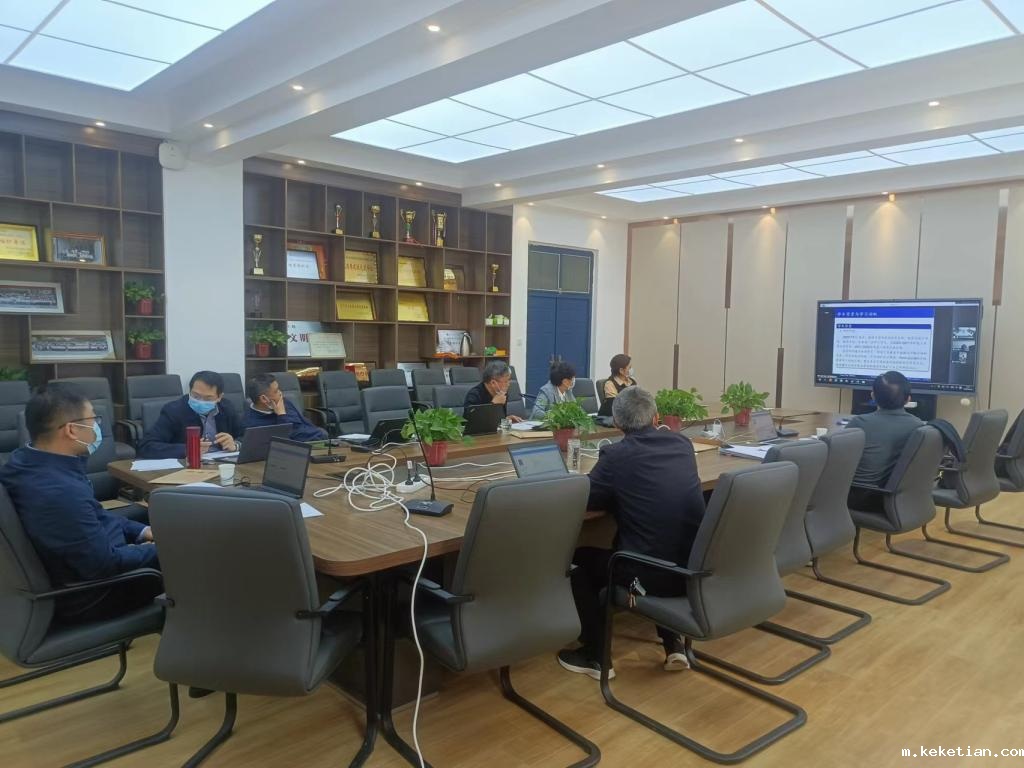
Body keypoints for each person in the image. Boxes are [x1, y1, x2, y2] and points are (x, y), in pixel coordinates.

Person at [558, 387, 706, 680]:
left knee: (577, 560)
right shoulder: (682, 444)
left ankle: (597, 656)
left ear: (616, 423)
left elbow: (587, 499)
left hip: (649, 578)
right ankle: (673, 644)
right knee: (662, 537)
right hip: (691, 571)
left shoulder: (616, 456)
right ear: (656, 417)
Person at [0, 386, 160, 624]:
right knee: (199, 556)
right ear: (72, 430)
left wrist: (143, 531)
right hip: (93, 594)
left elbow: (95, 515)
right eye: (93, 420)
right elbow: (103, 565)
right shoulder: (58, 491)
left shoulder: (27, 461)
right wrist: (167, 547)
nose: (97, 427)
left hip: (89, 562)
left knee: (151, 523)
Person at [846, 371, 923, 510]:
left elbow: (838, 460)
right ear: (908, 399)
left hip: (859, 498)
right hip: (896, 499)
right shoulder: (918, 425)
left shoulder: (860, 423)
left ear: (873, 396)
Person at [138, 371, 241, 459]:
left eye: (208, 398)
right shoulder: (174, 411)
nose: (201, 401)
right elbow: (146, 446)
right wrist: (188, 449)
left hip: (222, 463)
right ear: (189, 391)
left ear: (219, 397)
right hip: (187, 465)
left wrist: (235, 444)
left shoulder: (226, 408)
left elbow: (245, 436)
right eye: (196, 396)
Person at [244, 373, 327, 442]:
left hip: (316, 437)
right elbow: (288, 441)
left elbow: (304, 423)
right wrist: (282, 416)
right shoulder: (253, 425)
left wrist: (319, 433)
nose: (280, 393)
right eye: (276, 391)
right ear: (264, 399)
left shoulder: (283, 402)